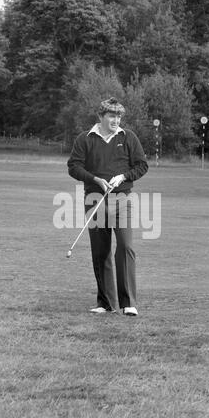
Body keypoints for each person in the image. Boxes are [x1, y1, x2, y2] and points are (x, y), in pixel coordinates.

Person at [67, 97, 148, 316]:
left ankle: (128, 302)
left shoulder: (128, 137)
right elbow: (73, 167)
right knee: (101, 252)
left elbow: (142, 165)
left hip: (122, 199)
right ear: (101, 116)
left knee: (125, 246)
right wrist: (94, 179)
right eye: (111, 115)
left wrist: (123, 177)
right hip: (94, 200)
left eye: (119, 116)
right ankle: (106, 303)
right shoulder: (85, 139)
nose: (116, 120)